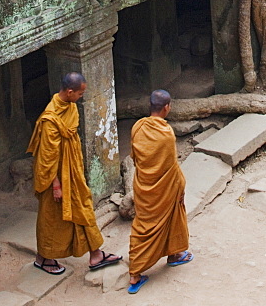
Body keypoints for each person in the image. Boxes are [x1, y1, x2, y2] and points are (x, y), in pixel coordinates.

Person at [27, 71, 122, 275]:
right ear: (70, 92)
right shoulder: (50, 121)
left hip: (73, 172)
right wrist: (56, 185)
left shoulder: (69, 108)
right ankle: (44, 258)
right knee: (51, 219)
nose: (81, 97)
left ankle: (95, 255)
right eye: (79, 94)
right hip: (56, 179)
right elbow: (46, 158)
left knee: (82, 208)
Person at [127, 89, 193, 294]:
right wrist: (180, 185)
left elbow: (135, 157)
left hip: (144, 186)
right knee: (164, 219)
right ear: (166, 107)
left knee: (145, 223)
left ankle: (171, 256)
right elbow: (172, 165)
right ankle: (136, 272)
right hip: (164, 188)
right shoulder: (166, 134)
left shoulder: (138, 127)